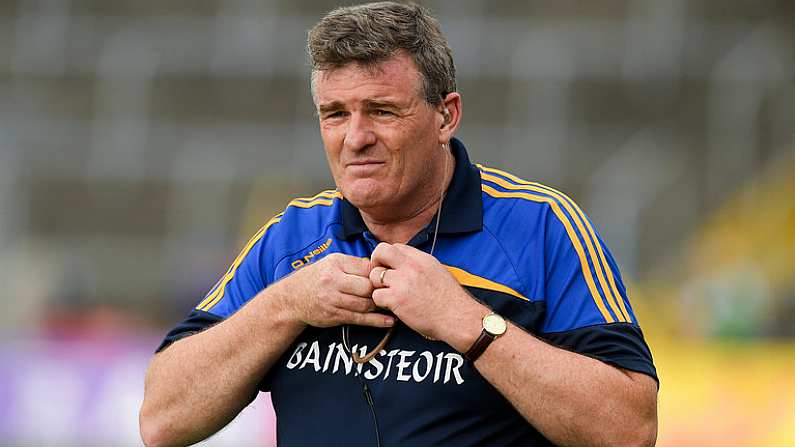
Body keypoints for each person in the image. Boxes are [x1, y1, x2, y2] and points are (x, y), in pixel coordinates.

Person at [139, 3, 658, 446]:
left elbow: (630, 428)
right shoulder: (290, 239)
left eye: (382, 111)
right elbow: (161, 420)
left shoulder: (543, 227)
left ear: (446, 116)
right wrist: (286, 305)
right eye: (335, 114)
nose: (355, 137)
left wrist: (467, 323)